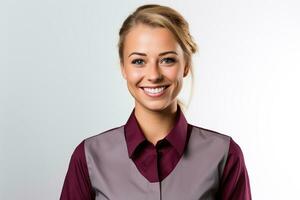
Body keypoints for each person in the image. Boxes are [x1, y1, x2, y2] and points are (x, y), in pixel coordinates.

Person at [60, 4, 251, 200]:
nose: (153, 75)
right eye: (139, 61)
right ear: (123, 68)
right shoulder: (89, 157)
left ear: (185, 65)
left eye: (167, 60)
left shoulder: (225, 155)